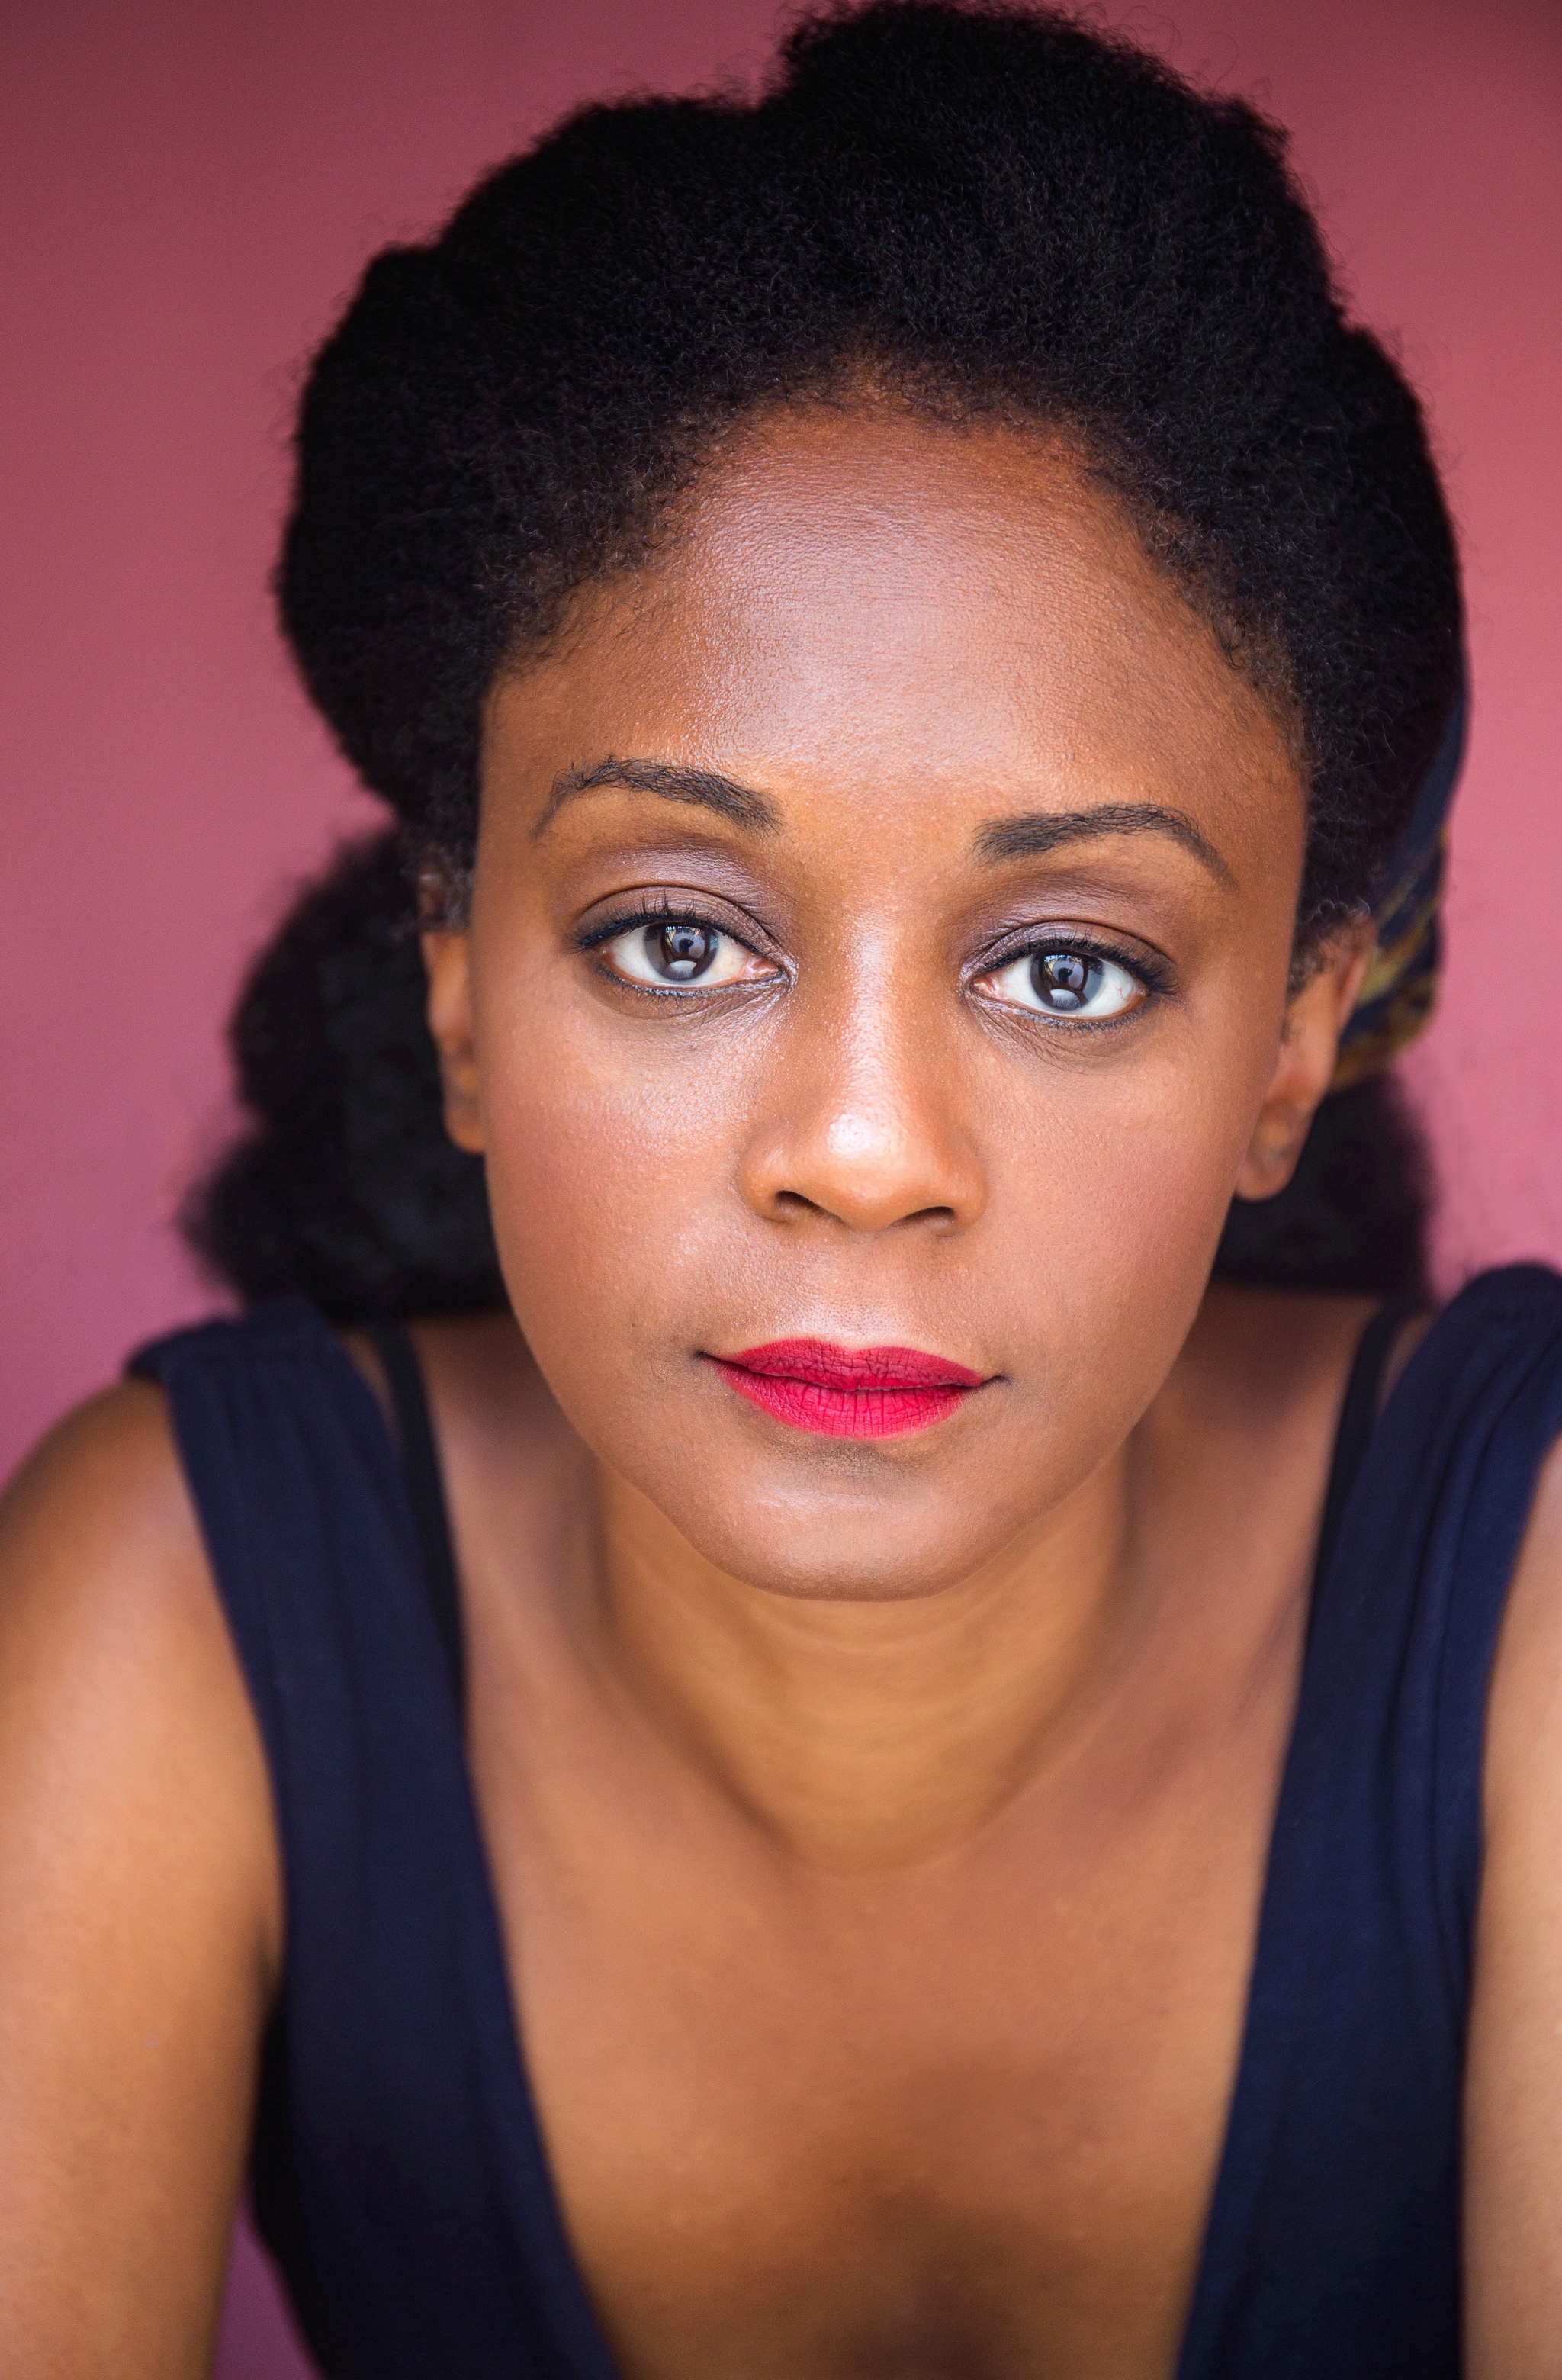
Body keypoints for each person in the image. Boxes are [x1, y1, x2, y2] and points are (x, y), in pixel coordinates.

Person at [2, 5, 1557, 2374]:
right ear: (455, 980)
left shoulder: (1529, 1581)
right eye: (678, 936)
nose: (859, 1153)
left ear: (1297, 1043)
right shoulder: (177, 1608)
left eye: (1066, 966)